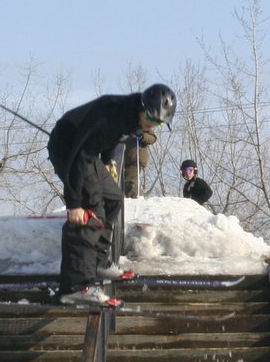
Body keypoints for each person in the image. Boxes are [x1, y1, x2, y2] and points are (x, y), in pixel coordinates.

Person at [47, 83, 175, 305]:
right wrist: (74, 203)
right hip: (69, 149)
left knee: (114, 198)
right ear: (142, 108)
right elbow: (79, 155)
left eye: (158, 124)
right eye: (151, 120)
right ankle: (76, 286)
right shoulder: (112, 115)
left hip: (87, 152)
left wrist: (106, 160)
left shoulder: (134, 118)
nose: (151, 126)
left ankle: (96, 261)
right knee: (91, 210)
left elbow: (112, 138)